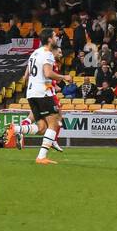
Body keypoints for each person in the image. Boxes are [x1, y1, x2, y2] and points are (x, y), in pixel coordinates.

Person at [28, 29, 72, 165]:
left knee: (41, 127)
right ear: (49, 39)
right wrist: (64, 77)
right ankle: (41, 157)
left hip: (31, 93)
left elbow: (27, 73)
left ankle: (17, 129)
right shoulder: (47, 54)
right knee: (54, 122)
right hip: (43, 92)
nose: (56, 38)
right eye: (54, 36)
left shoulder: (35, 53)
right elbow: (47, 73)